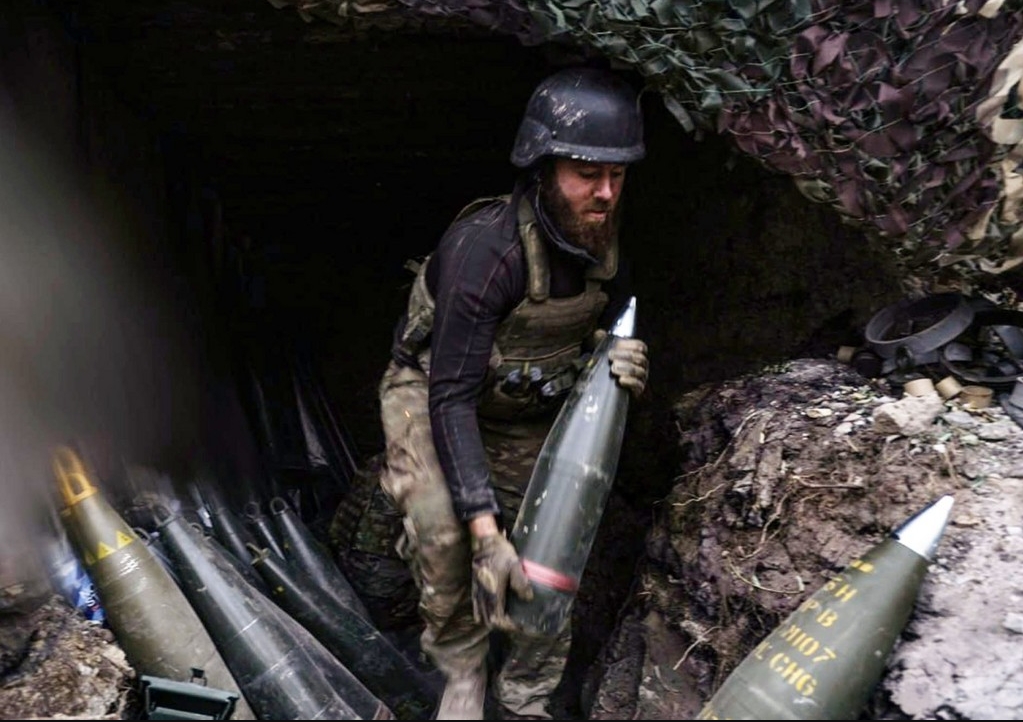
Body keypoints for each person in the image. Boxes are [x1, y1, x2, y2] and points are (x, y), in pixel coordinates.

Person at [376, 65, 650, 720]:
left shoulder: (602, 237)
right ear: (543, 168)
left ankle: (525, 693)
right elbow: (450, 399)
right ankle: (462, 667)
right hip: (436, 394)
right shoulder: (487, 252)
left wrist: (617, 362)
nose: (606, 193)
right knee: (445, 532)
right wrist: (483, 528)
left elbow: (610, 325)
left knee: (554, 543)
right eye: (587, 173)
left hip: (527, 405)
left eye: (617, 175)